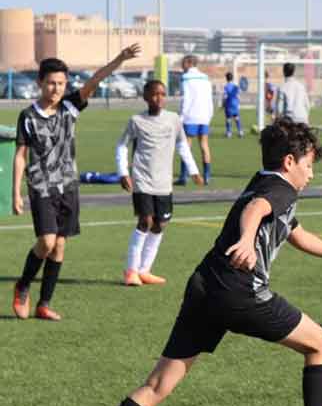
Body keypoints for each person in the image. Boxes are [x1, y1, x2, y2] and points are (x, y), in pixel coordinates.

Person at [69, 118, 322, 406]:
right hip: (239, 291)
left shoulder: (262, 182)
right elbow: (257, 210)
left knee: (158, 385)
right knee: (321, 345)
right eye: (309, 165)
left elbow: (295, 233)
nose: (311, 175)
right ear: (289, 162)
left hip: (204, 287)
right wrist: (247, 240)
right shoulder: (278, 189)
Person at [11, 44, 141, 321]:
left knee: (59, 246)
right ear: (40, 83)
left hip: (68, 187)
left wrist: (119, 59)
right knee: (45, 243)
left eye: (61, 83)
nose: (56, 89)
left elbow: (95, 80)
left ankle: (44, 303)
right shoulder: (28, 116)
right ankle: (23, 285)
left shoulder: (71, 106)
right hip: (41, 187)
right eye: (51, 83)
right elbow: (21, 155)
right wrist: (16, 193)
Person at [116, 80, 205, 287]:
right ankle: (131, 271)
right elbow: (121, 146)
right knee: (145, 221)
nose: (159, 98)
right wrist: (123, 172)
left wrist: (193, 170)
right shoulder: (136, 120)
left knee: (160, 224)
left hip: (164, 181)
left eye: (163, 94)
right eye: (155, 94)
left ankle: (144, 270)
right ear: (146, 97)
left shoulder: (173, 119)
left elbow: (182, 144)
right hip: (143, 179)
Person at [176, 55, 214, 185]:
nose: (181, 66)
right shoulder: (205, 78)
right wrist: (209, 114)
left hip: (190, 115)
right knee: (204, 145)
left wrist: (181, 116)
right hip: (204, 115)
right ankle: (207, 176)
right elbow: (210, 99)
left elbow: (185, 99)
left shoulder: (186, 78)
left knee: (186, 145)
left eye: (183, 63)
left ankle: (183, 176)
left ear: (188, 63)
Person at [222, 72, 244, 138]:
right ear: (232, 78)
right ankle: (240, 132)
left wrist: (223, 104)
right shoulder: (236, 86)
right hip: (235, 104)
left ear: (226, 78)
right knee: (237, 118)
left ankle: (229, 133)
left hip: (228, 105)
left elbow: (225, 96)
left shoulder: (226, 87)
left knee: (228, 119)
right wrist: (238, 102)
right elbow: (238, 96)